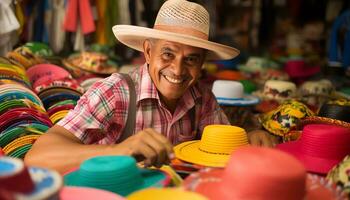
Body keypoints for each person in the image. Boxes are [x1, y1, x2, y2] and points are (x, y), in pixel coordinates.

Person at [25, 0, 277, 174]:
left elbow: (223, 150)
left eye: (191, 59)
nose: (178, 70)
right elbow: (37, 158)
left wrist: (249, 136)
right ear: (148, 51)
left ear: (202, 64)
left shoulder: (202, 98)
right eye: (167, 54)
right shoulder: (115, 92)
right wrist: (120, 151)